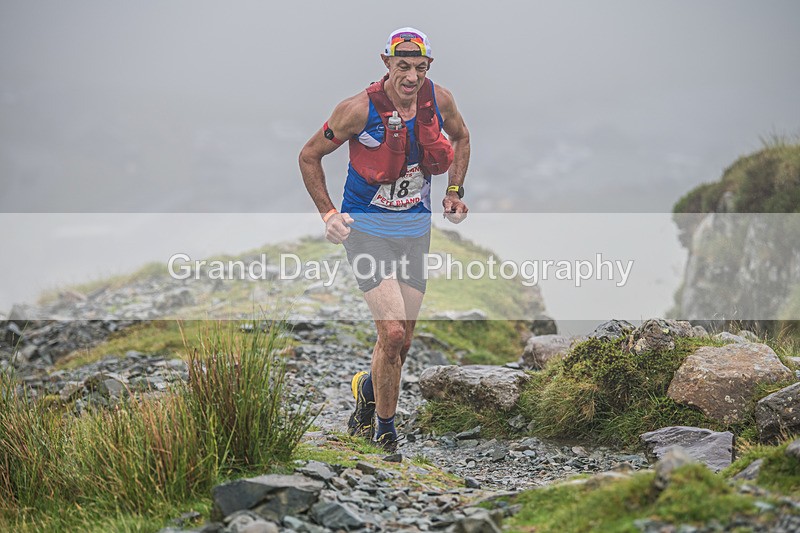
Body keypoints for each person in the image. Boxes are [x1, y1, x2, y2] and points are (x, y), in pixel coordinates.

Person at [298, 27, 470, 452]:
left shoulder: (440, 100)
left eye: (419, 67)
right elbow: (309, 155)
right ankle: (385, 434)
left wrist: (454, 191)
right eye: (402, 66)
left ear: (428, 65)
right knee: (392, 333)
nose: (411, 76)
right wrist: (328, 214)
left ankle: (368, 392)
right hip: (367, 230)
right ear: (386, 62)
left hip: (415, 232)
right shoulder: (357, 110)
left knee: (403, 340)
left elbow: (462, 137)